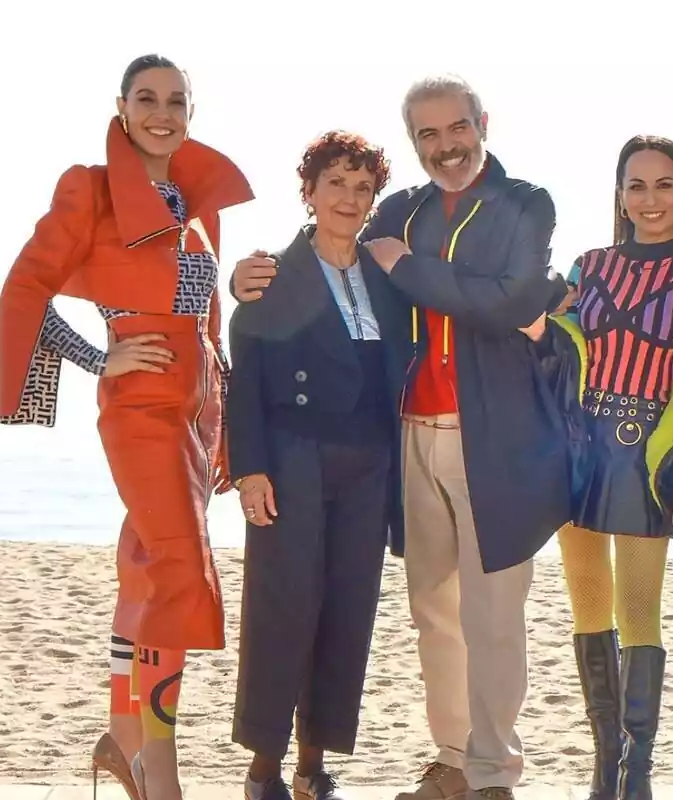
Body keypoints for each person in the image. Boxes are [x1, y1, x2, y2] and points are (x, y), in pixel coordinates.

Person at [229, 74, 572, 800]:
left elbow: (514, 298)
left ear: (483, 122)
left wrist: (417, 270)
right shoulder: (392, 217)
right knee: (420, 614)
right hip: (381, 445)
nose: (445, 146)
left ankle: (483, 771)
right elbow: (269, 335)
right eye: (428, 135)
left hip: (463, 443)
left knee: (469, 615)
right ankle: (438, 758)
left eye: (457, 129)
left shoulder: (513, 207)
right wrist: (239, 280)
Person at [0, 55, 254, 800]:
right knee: (177, 574)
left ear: (190, 111)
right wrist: (95, 356)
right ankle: (160, 777)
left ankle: (122, 737)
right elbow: (25, 286)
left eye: (176, 100)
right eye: (147, 99)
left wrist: (222, 407)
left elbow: (205, 319)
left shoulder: (195, 200)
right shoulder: (91, 187)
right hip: (139, 409)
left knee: (145, 567)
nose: (162, 113)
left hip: (194, 411)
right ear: (122, 106)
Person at [529, 136, 673, 800]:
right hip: (579, 451)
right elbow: (553, 349)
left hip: (647, 455)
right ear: (619, 194)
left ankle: (636, 772)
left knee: (641, 608)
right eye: (637, 186)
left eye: (664, 184)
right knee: (587, 602)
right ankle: (604, 765)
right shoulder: (589, 268)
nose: (651, 200)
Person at [225, 131, 409, 800]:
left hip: (370, 466)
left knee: (347, 610)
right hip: (292, 459)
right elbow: (243, 377)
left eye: (363, 188)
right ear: (308, 191)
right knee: (284, 609)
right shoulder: (272, 274)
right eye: (337, 183)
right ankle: (264, 766)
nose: (350, 198)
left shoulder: (388, 284)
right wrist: (249, 470)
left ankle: (313, 761)